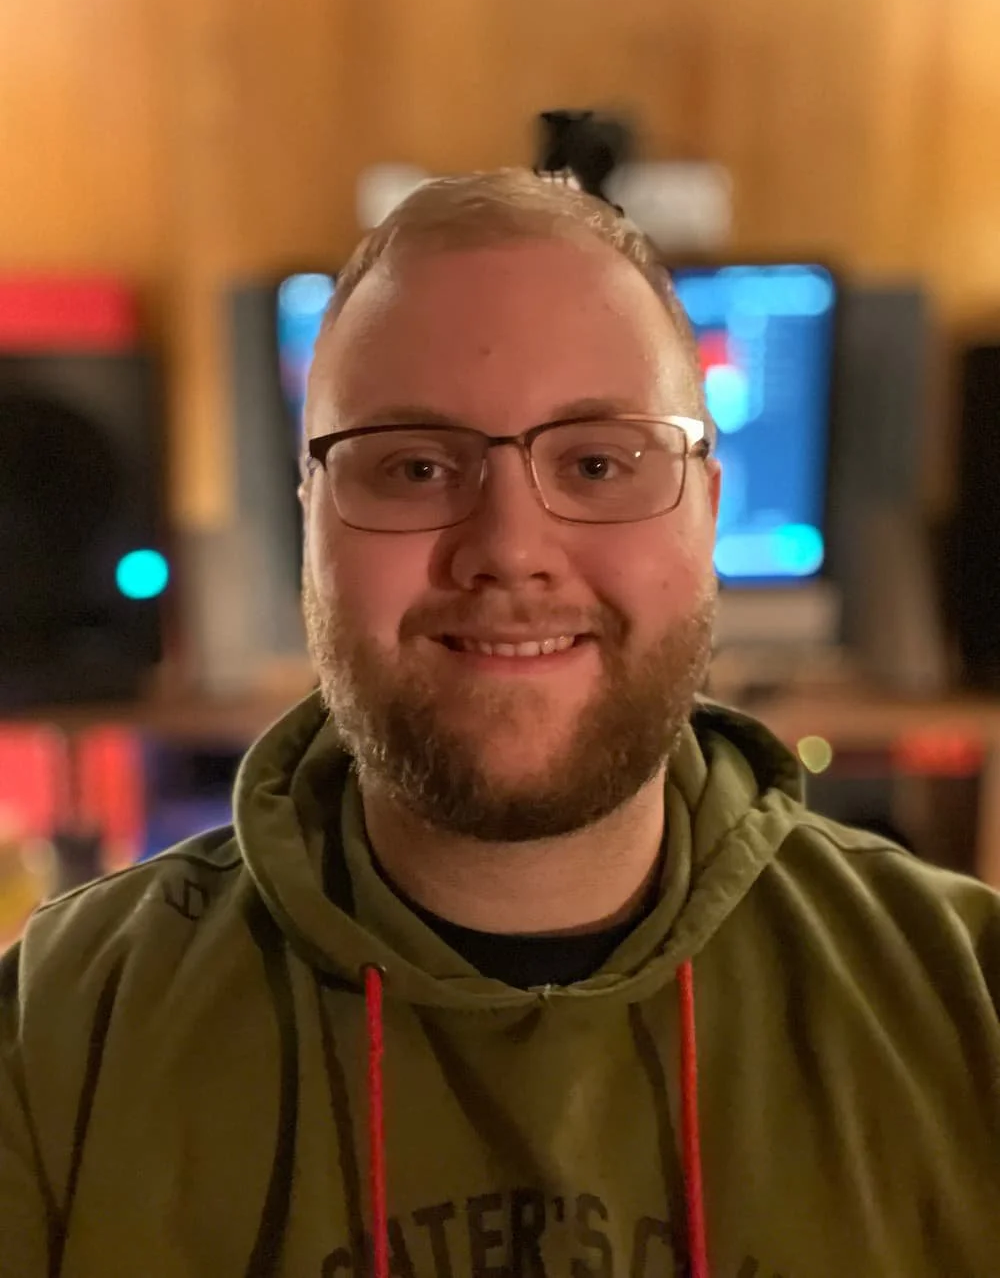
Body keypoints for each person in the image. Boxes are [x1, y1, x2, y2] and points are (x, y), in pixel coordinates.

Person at [2, 170, 998, 1278]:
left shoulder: (971, 1005)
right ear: (311, 522)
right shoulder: (57, 1039)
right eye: (416, 466)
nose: (510, 549)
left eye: (598, 461)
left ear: (709, 512)